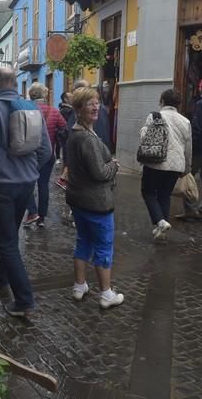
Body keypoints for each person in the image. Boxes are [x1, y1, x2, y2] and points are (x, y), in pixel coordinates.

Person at [0, 67, 52, 317]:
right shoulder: (32, 108)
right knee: (11, 236)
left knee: (7, 243)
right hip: (26, 185)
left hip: (0, 185)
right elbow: (46, 150)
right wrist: (30, 170)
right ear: (15, 84)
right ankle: (1, 277)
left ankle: (24, 301)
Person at [65, 87, 123, 309]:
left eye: (97, 102)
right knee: (103, 247)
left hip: (79, 200)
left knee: (84, 242)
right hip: (96, 203)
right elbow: (99, 173)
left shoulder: (76, 133)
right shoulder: (86, 139)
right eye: (90, 103)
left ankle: (79, 286)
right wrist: (113, 166)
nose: (95, 106)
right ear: (79, 109)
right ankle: (107, 294)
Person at [139, 89, 192, 240]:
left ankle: (160, 222)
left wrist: (144, 129)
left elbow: (144, 137)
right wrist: (187, 168)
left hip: (156, 162)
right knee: (164, 195)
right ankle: (161, 229)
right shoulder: (185, 121)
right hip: (176, 165)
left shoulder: (155, 116)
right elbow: (188, 148)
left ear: (162, 101)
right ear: (178, 104)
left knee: (148, 192)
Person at [23, 82, 66, 228]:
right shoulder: (54, 111)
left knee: (27, 184)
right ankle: (41, 218)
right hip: (49, 155)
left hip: (30, 155)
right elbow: (64, 128)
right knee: (43, 186)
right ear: (45, 95)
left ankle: (32, 212)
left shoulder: (26, 110)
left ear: (31, 95)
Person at [176, 76, 202, 221]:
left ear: (201, 89)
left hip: (199, 151)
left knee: (188, 177)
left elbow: (197, 129)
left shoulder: (201, 105)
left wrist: (189, 147)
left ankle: (191, 209)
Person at [57, 80, 110, 190]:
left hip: (89, 180)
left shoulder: (86, 116)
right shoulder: (81, 127)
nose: (95, 107)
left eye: (96, 103)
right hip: (89, 184)